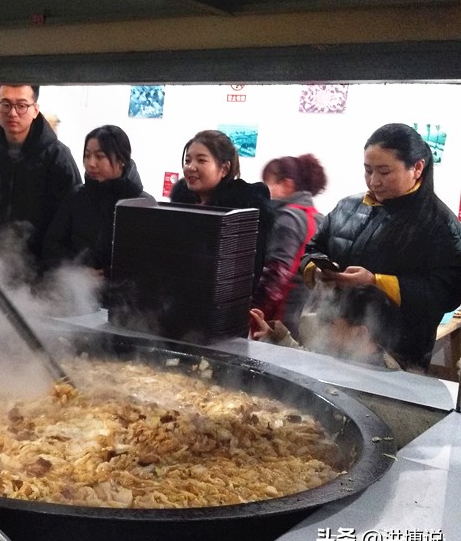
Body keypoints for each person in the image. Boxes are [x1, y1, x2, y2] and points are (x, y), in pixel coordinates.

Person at [301, 122, 461, 371]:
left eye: (384, 172)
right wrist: (318, 270)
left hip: (394, 355)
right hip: (332, 337)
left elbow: (447, 293)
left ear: (417, 168)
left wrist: (376, 281)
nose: (374, 181)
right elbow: (312, 249)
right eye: (368, 170)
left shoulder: (440, 224)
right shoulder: (347, 206)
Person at [0, 84, 81, 277]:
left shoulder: (57, 157)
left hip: (42, 273)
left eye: (22, 105)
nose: (13, 113)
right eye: (5, 104)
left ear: (35, 109)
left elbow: (71, 220)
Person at [168, 129, 274, 290]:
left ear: (224, 169)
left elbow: (247, 272)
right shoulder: (179, 207)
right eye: (188, 160)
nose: (190, 167)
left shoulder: (243, 213)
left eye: (201, 161)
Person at [43, 124, 152, 280]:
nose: (91, 163)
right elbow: (52, 247)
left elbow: (147, 260)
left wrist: (108, 274)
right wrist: (78, 270)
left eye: (100, 156)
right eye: (87, 156)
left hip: (124, 298)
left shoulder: (142, 203)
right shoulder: (76, 197)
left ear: (122, 159)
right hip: (76, 291)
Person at [252, 153, 327, 338]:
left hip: (278, 319)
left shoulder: (288, 218)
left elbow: (276, 272)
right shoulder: (319, 218)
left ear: (286, 185)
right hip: (302, 319)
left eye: (266, 184)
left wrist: (253, 310)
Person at [249, 285, 403, 370]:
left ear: (360, 335)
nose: (324, 330)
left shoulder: (379, 382)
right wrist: (274, 335)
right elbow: (308, 362)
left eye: (331, 324)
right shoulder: (343, 355)